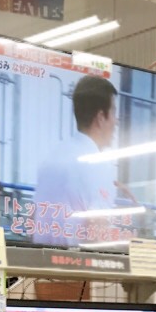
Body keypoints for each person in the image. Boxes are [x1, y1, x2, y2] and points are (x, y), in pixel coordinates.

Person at [31, 75, 136, 242]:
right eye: (113, 112)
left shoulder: (51, 159)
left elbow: (32, 222)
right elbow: (99, 237)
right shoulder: (98, 166)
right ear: (101, 118)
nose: (116, 122)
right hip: (76, 258)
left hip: (40, 257)